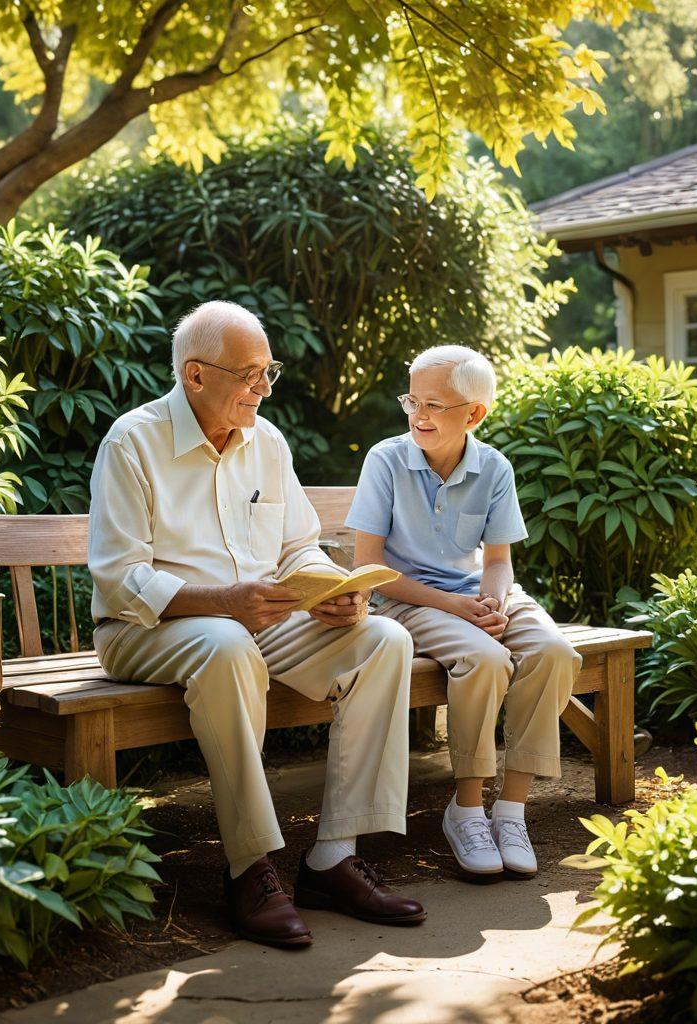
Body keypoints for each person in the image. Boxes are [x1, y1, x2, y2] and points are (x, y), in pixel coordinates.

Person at [88, 300, 425, 947]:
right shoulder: (133, 441)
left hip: (253, 623)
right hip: (146, 630)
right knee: (225, 644)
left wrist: (330, 587)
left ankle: (332, 857)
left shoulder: (267, 442)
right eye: (249, 375)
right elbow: (118, 578)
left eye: (268, 373)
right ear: (195, 375)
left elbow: (297, 543)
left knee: (383, 639)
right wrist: (224, 600)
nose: (262, 389)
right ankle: (249, 868)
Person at [345, 344, 581, 882]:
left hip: (474, 593)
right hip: (406, 598)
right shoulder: (385, 459)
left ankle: (511, 810)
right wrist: (456, 606)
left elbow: (498, 561)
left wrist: (493, 602)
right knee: (485, 660)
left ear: (474, 414)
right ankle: (468, 809)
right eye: (411, 401)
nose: (417, 415)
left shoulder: (494, 467)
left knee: (553, 651)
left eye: (433, 405)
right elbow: (369, 566)